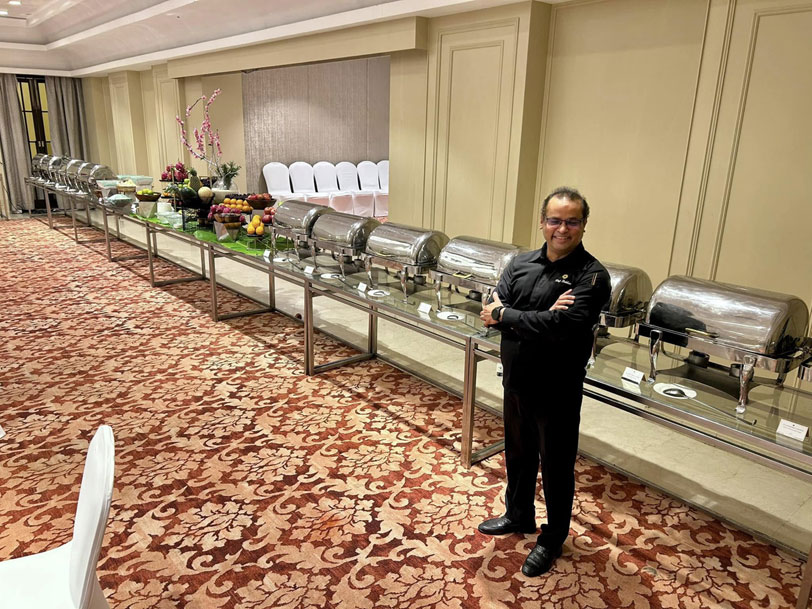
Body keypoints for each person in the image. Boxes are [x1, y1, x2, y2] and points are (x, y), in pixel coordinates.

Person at [478, 186, 611, 577]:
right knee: (518, 453)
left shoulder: (592, 276)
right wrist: (535, 316)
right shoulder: (520, 264)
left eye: (572, 221)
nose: (562, 229)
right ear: (542, 222)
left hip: (558, 388)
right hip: (516, 379)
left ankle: (552, 539)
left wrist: (509, 316)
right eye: (555, 220)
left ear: (583, 225)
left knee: (556, 466)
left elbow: (564, 327)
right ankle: (518, 514)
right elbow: (490, 312)